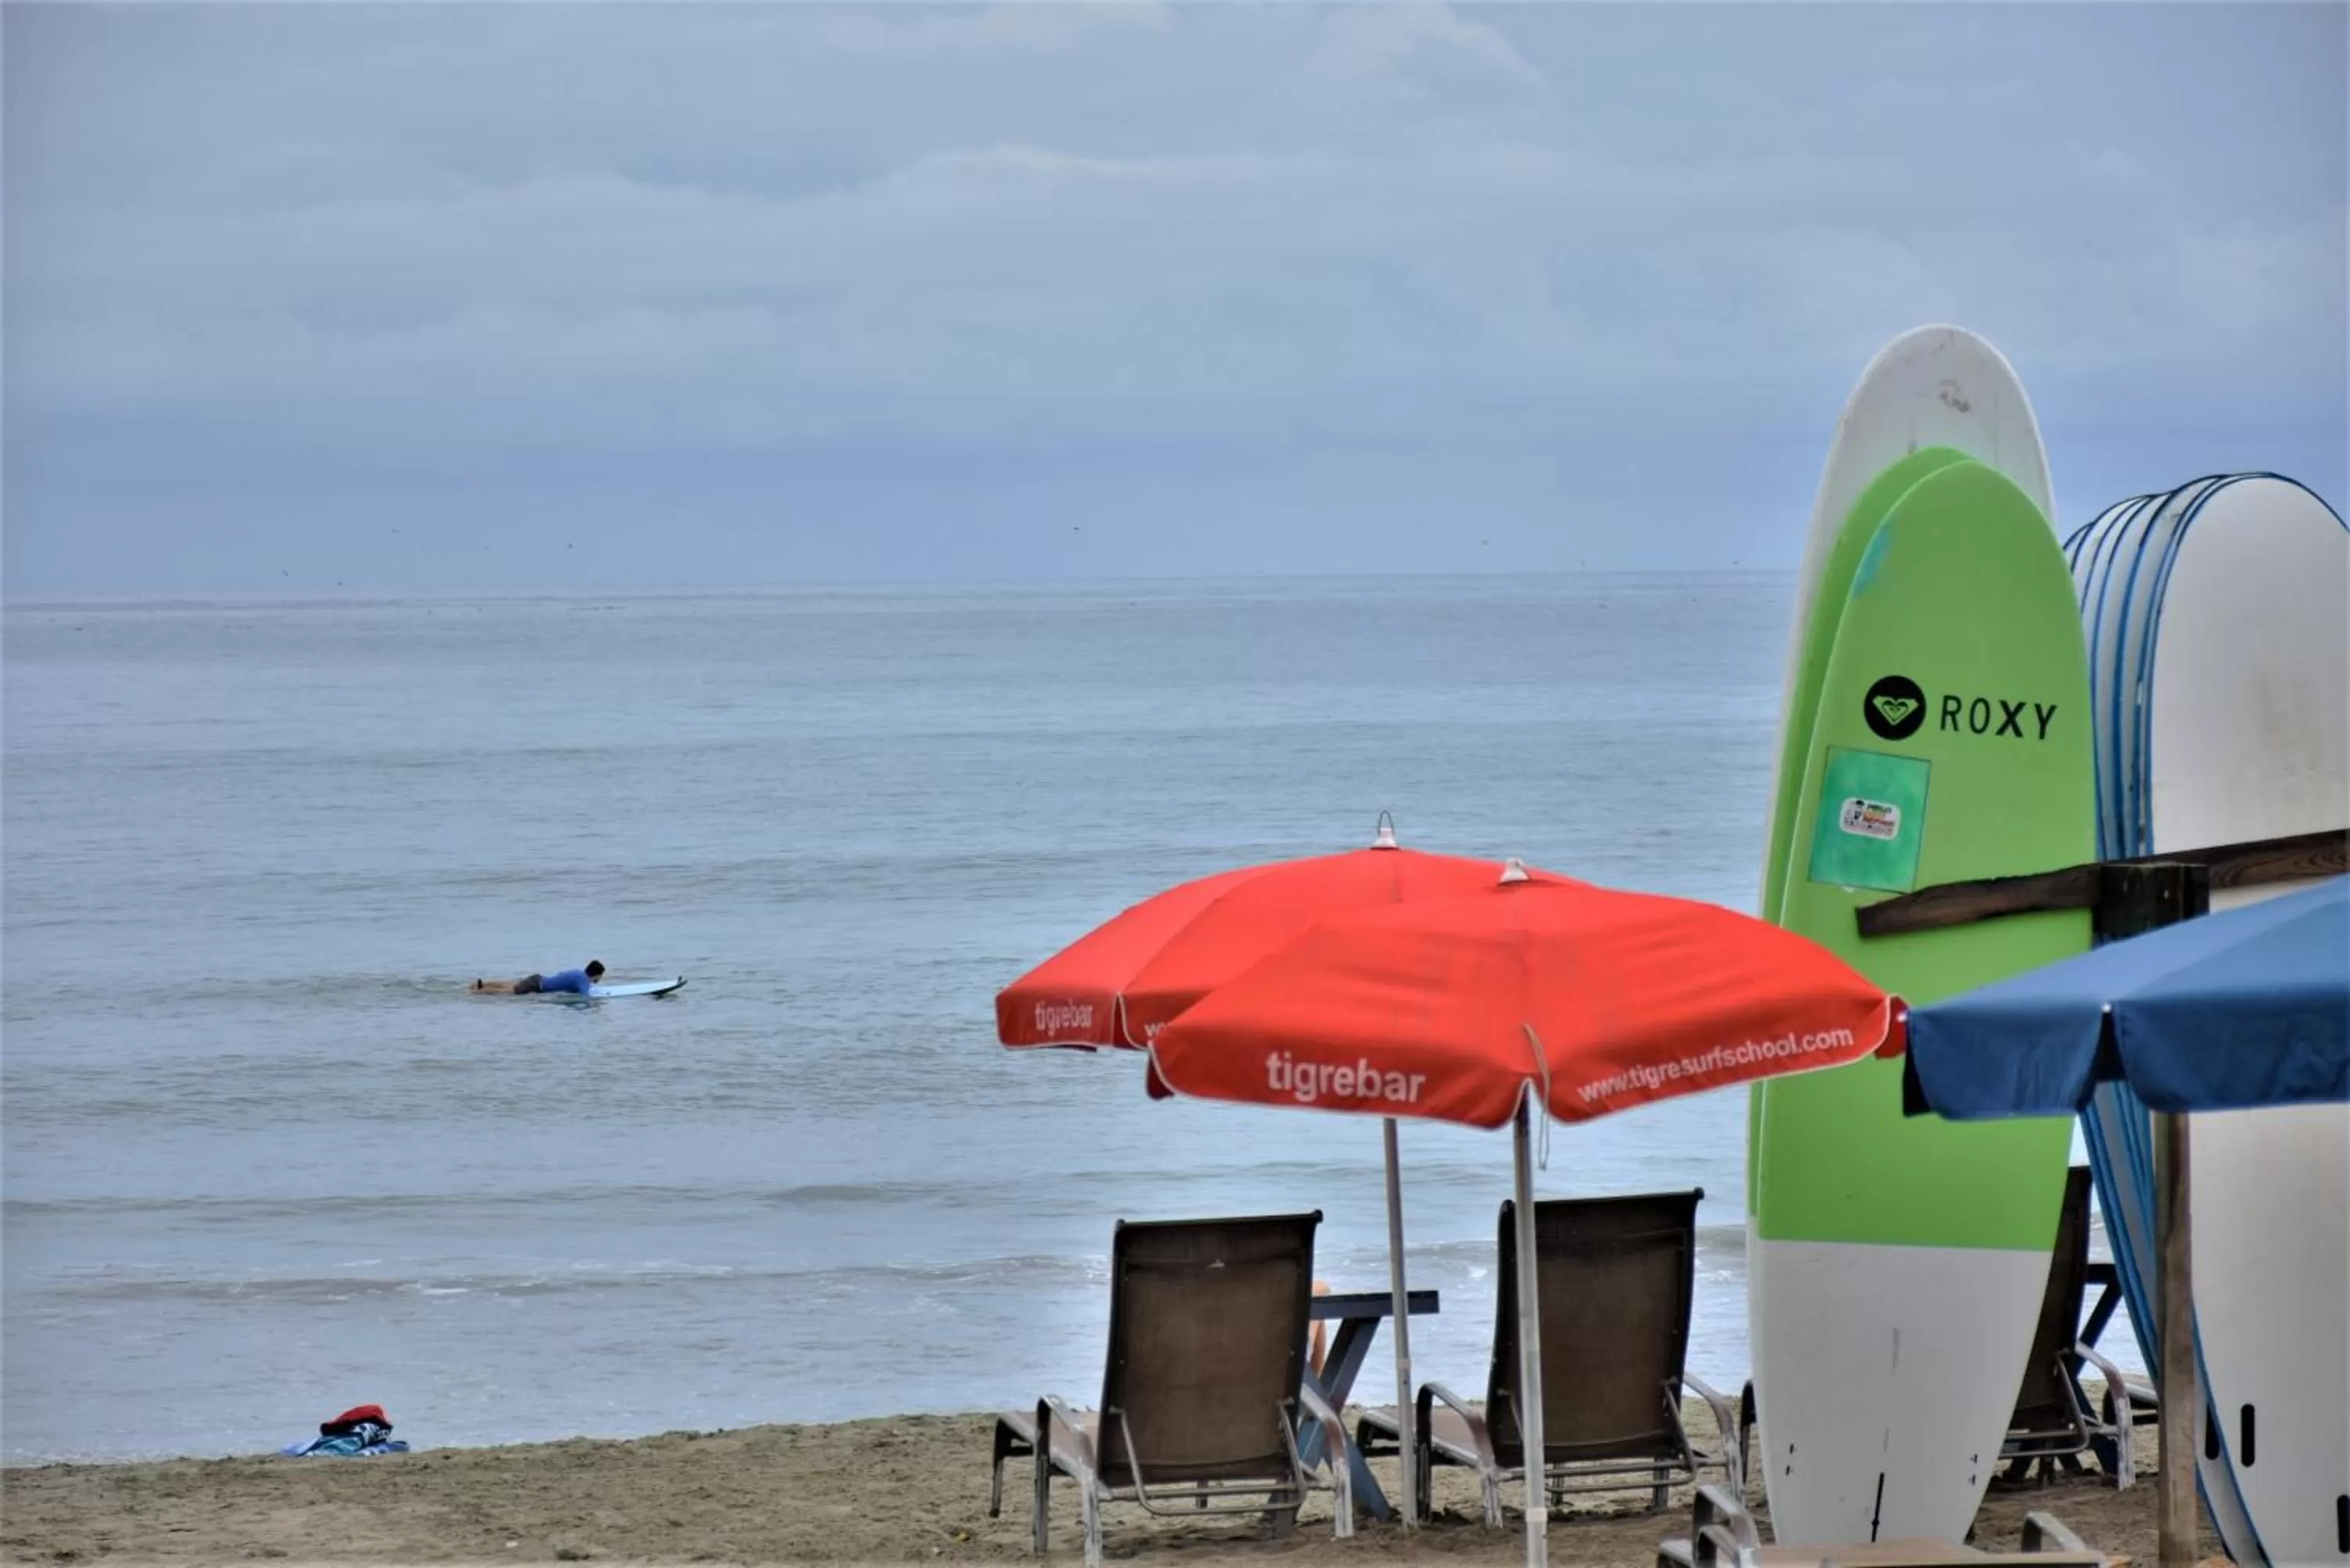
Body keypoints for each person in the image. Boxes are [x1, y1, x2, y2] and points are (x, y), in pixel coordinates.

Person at [473, 960, 605, 995]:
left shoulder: (578, 973)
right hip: (537, 986)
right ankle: (478, 992)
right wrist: (597, 1006)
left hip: (539, 979)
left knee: (509, 985)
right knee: (507, 992)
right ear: (597, 975)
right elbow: (585, 999)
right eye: (600, 976)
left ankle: (481, 984)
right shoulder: (583, 980)